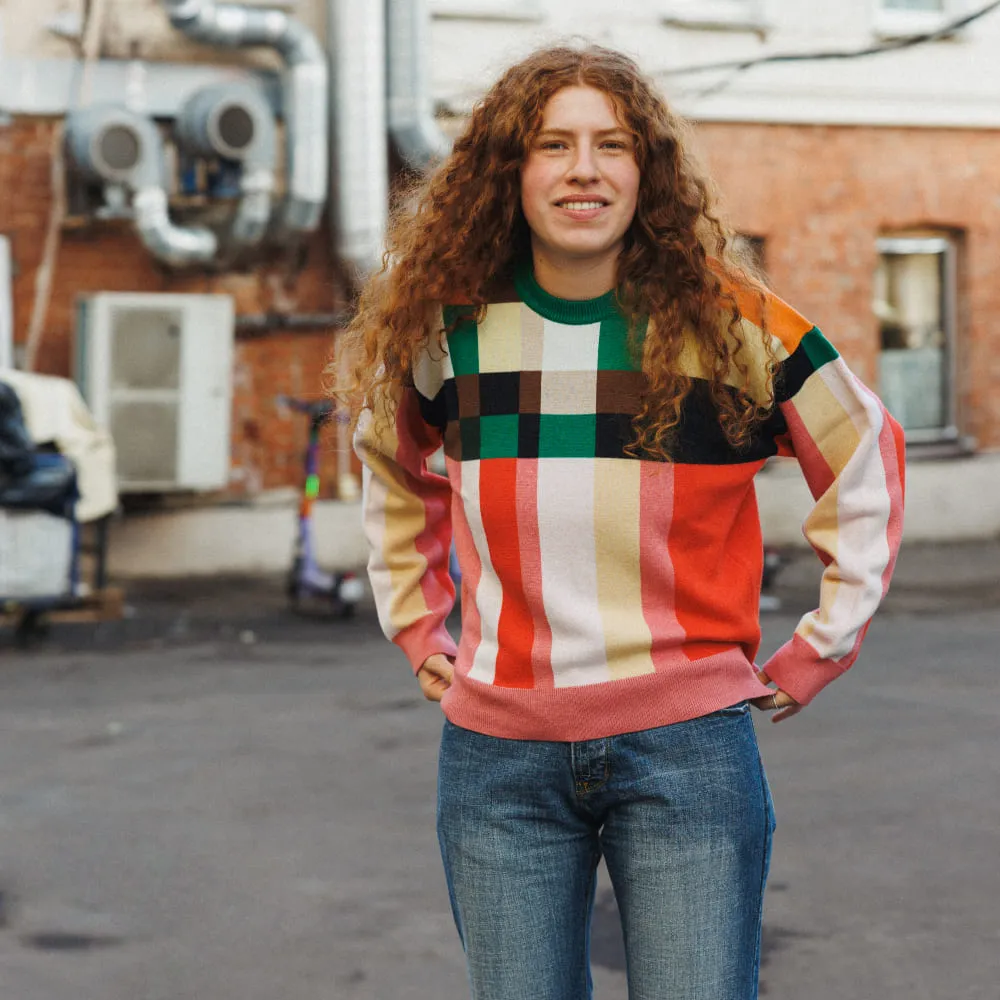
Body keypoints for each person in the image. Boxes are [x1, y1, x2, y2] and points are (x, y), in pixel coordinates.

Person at [344, 44, 905, 1000]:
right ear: (509, 170)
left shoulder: (732, 325)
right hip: (499, 758)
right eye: (552, 145)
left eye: (612, 145)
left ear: (647, 170)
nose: (584, 170)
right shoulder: (449, 330)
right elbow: (393, 464)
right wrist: (414, 621)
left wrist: (823, 643)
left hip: (688, 749)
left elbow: (866, 454)